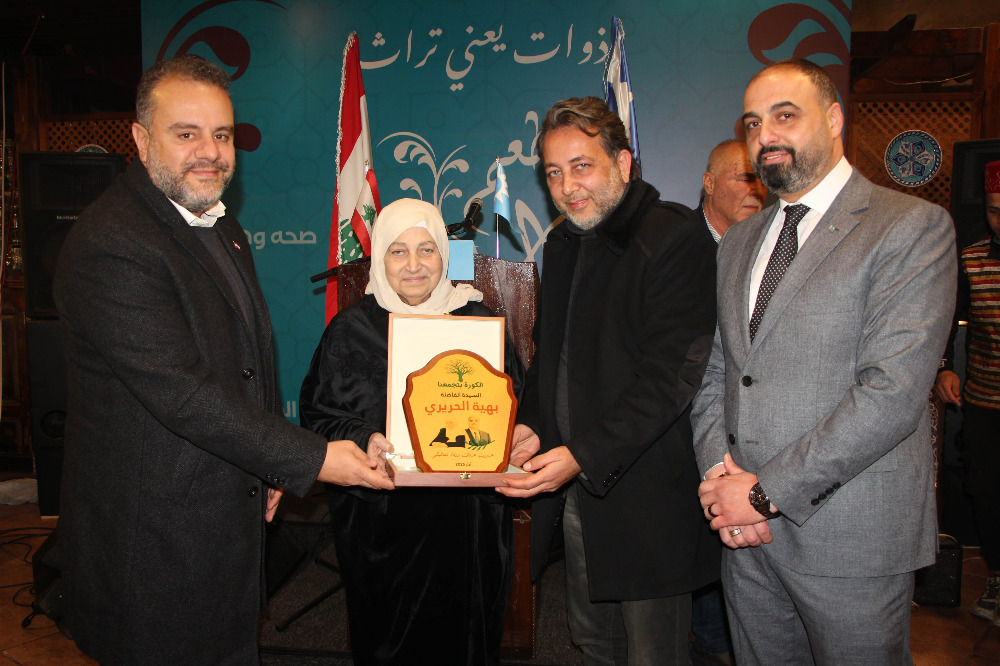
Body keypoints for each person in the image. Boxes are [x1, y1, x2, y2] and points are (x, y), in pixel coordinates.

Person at [51, 55, 392, 665]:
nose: (209, 152)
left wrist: (264, 467)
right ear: (140, 139)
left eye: (222, 135)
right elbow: (182, 392)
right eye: (186, 134)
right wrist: (311, 457)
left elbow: (245, 365)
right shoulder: (113, 243)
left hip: (221, 519)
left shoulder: (221, 226)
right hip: (151, 548)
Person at [691, 58, 956, 664]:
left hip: (851, 538)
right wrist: (721, 481)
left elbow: (891, 393)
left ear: (835, 119)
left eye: (785, 116)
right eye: (753, 123)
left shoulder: (910, 227)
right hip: (746, 538)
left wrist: (765, 494)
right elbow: (718, 373)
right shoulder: (738, 242)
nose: (765, 135)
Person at [498, 96, 720, 664]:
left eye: (582, 166)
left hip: (647, 495)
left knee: (653, 653)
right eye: (553, 173)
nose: (567, 187)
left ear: (623, 162)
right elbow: (550, 358)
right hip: (578, 491)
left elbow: (669, 380)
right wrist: (532, 424)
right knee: (594, 641)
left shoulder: (674, 236)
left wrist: (582, 454)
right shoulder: (563, 243)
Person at [299, 198, 538, 665]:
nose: (414, 265)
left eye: (427, 249)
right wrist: (364, 436)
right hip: (384, 523)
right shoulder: (351, 331)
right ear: (381, 259)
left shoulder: (479, 322)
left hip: (469, 522)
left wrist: (513, 433)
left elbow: (516, 403)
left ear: (444, 255)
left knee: (467, 639)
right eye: (398, 251)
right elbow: (319, 415)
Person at [689, 137, 765, 666]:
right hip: (688, 430)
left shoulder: (772, 242)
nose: (756, 189)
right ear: (710, 183)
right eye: (743, 177)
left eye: (759, 178)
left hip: (758, 448)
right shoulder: (678, 244)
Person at [934, 159, 1000, 626]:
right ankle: (996, 575)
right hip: (985, 399)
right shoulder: (973, 257)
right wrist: (944, 368)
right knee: (987, 489)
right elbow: (948, 315)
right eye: (995, 211)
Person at [696, 138, 767, 242]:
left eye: (764, 182)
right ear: (710, 184)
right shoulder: (678, 240)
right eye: (746, 180)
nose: (758, 191)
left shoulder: (770, 244)